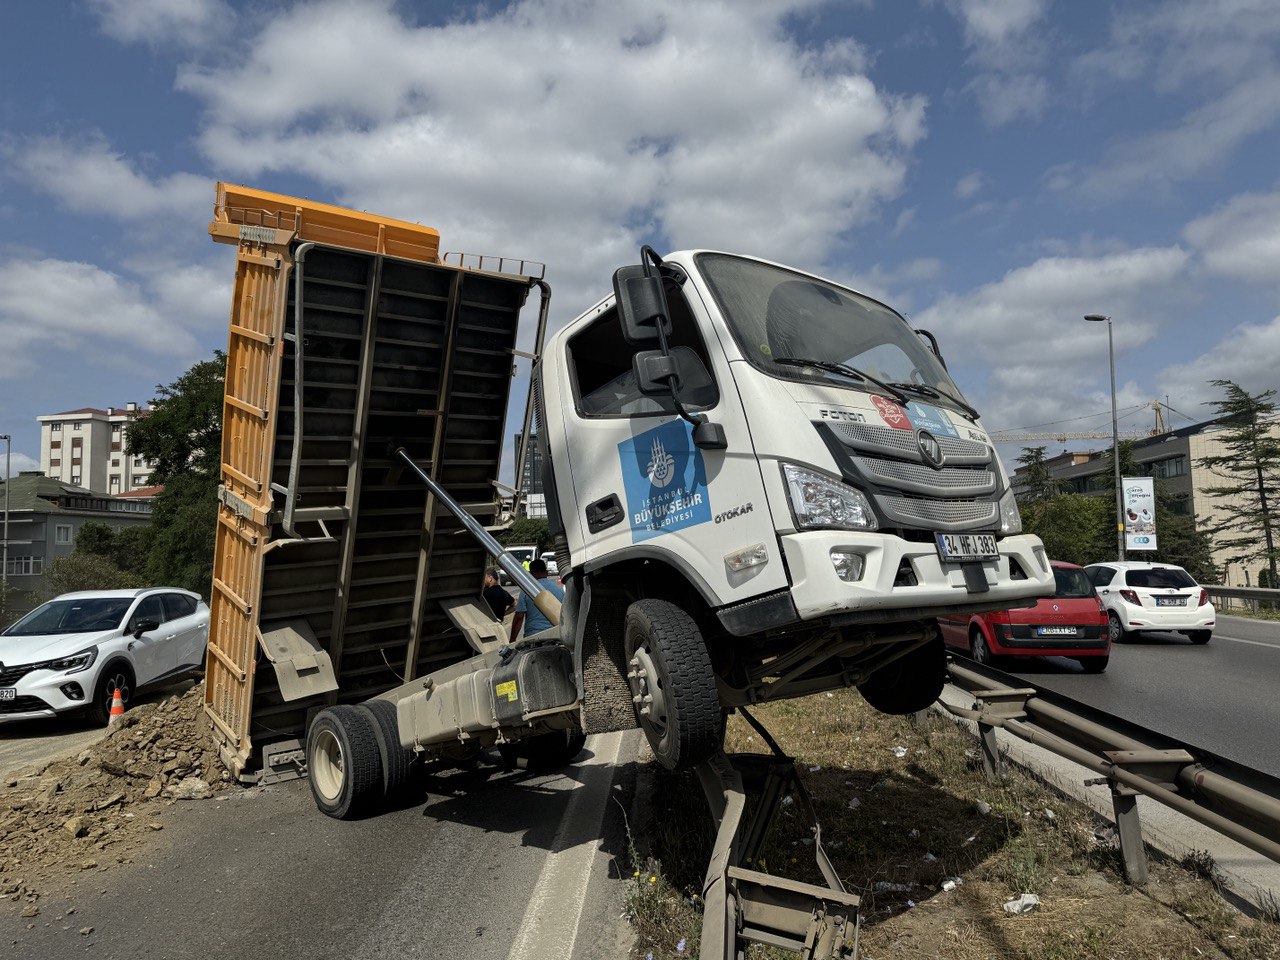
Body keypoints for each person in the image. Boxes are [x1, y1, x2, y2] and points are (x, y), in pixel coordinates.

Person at [510, 558, 565, 641]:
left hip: (533, 637)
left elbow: (519, 617)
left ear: (531, 574)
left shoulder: (526, 591)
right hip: (555, 635)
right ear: (546, 572)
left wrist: (512, 639)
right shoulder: (559, 590)